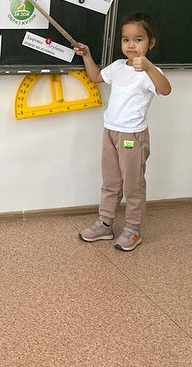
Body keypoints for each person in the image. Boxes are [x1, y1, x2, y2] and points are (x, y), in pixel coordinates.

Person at [73, 13, 172, 251]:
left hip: (132, 136)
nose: (131, 45)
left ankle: (133, 229)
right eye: (126, 39)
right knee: (111, 182)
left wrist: (149, 67)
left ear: (151, 42)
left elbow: (165, 89)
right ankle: (105, 223)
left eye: (138, 39)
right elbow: (96, 77)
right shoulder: (118, 66)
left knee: (133, 186)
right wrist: (87, 55)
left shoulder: (148, 72)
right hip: (110, 131)